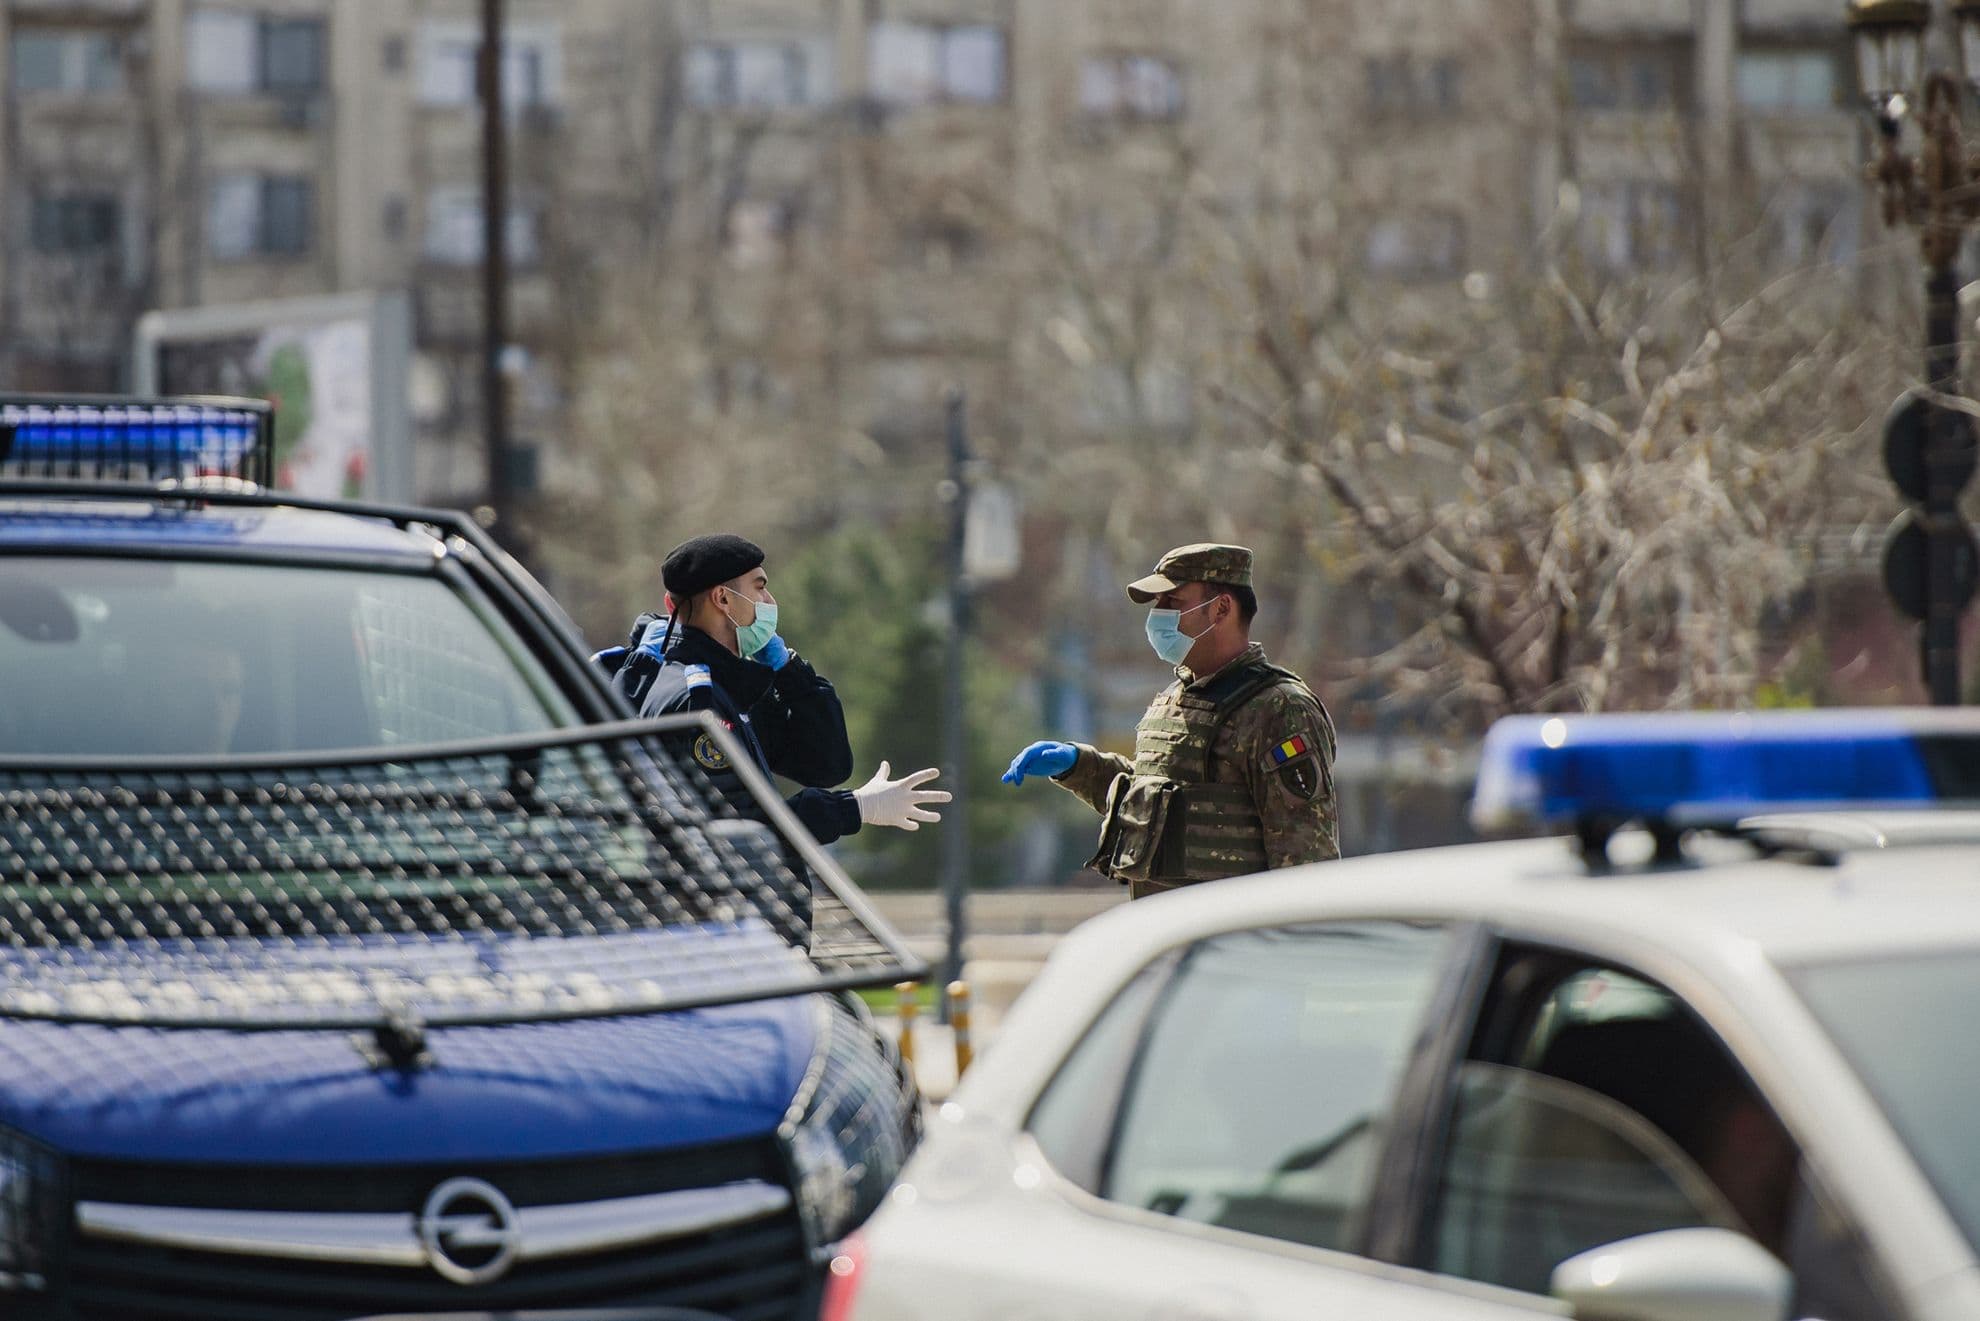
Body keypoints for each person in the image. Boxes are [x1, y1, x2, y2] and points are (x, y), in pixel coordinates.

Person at [1003, 542, 1338, 898]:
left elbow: (1307, 860)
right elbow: (1158, 810)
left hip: (1233, 939)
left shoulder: (1280, 709)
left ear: (1221, 608)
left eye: (1172, 602)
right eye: (1156, 604)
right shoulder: (1177, 699)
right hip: (1172, 931)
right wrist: (1080, 766)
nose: (1157, 616)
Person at [610, 533, 948, 846]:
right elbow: (747, 833)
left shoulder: (727, 684)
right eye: (759, 588)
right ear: (723, 598)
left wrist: (788, 670)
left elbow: (824, 765)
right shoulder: (699, 699)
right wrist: (854, 808)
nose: (769, 600)